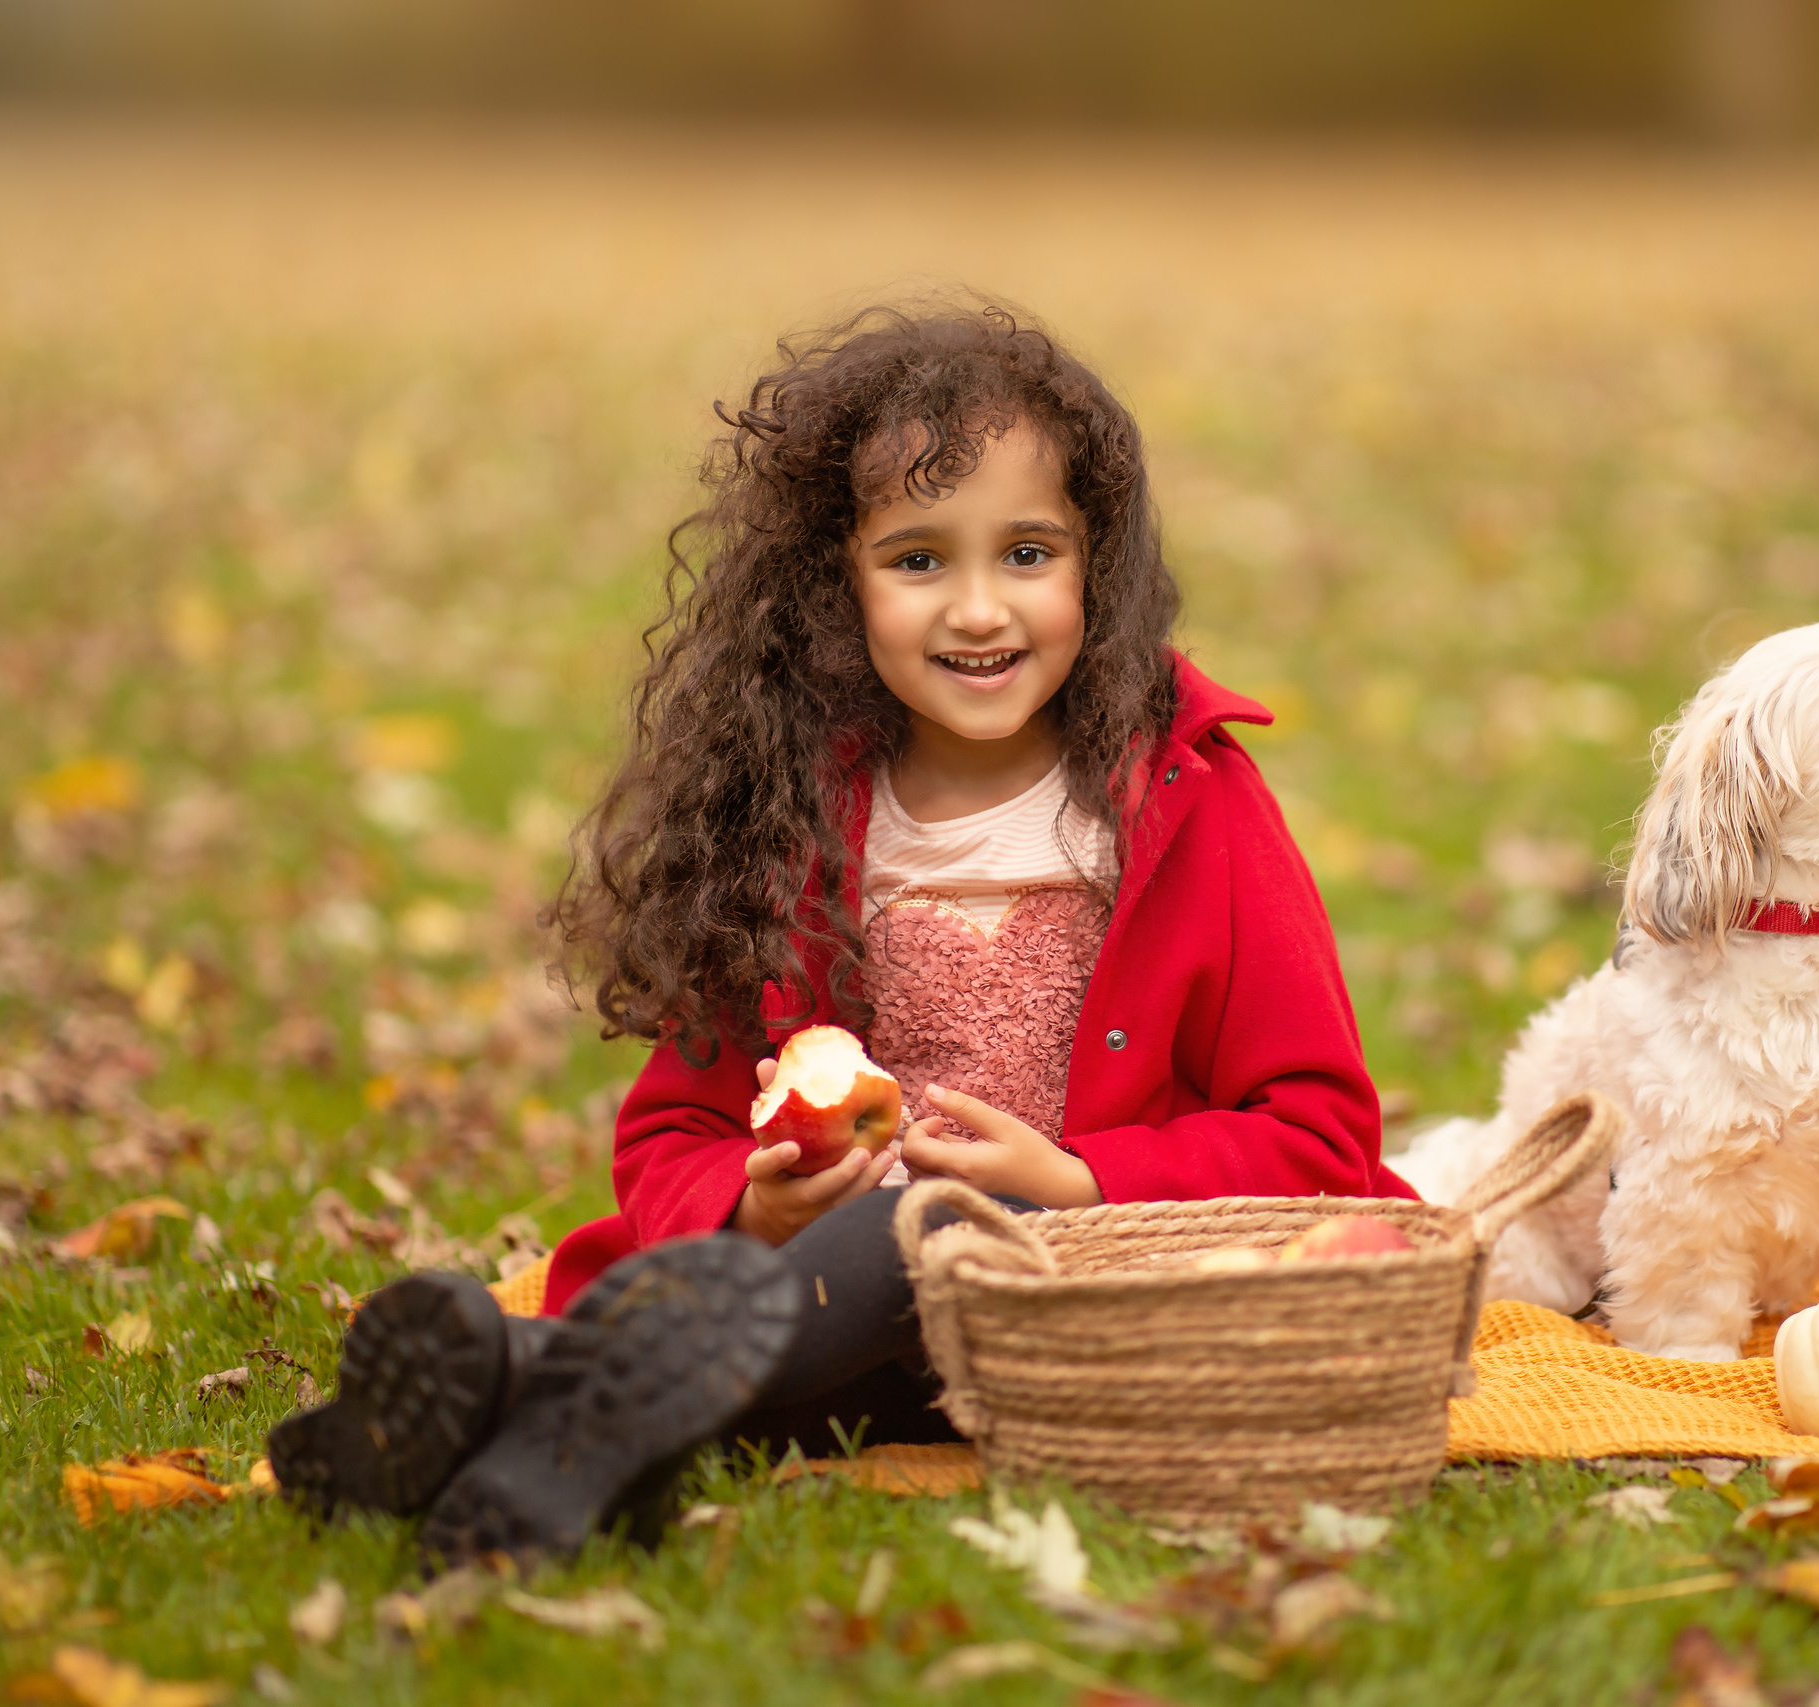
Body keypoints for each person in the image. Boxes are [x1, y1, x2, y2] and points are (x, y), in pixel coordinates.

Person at [268, 302, 1410, 1564]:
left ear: (1099, 567)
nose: (977, 609)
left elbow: (1323, 1139)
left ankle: (522, 1385)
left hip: (1090, 1321)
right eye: (918, 560)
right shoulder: (788, 818)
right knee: (841, 1280)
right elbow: (672, 1135)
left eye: (1028, 553)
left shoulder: (1194, 804)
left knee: (923, 1231)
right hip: (830, 1331)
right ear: (837, 583)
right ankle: (566, 1442)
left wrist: (1077, 1183)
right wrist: (751, 1212)